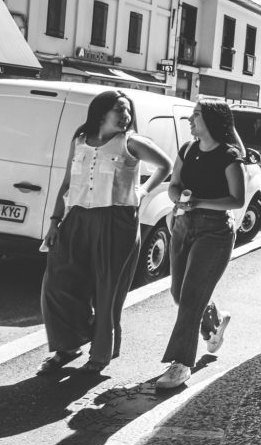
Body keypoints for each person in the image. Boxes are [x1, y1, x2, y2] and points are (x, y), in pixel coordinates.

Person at [38, 90, 172, 375]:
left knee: (106, 289)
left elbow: (166, 165)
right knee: (58, 284)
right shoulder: (79, 140)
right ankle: (68, 345)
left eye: (128, 111)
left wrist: (143, 191)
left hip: (116, 221)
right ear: (101, 112)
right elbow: (66, 183)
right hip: (76, 218)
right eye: (120, 110)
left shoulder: (131, 142)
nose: (126, 116)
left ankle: (100, 355)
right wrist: (54, 222)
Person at [156, 99, 246, 389]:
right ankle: (214, 323)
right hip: (183, 225)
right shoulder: (187, 149)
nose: (190, 120)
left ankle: (180, 364)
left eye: (195, 115)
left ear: (211, 120)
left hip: (214, 232)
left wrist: (198, 202)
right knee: (179, 294)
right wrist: (179, 199)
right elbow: (173, 185)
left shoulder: (229, 156)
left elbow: (237, 199)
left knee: (191, 296)